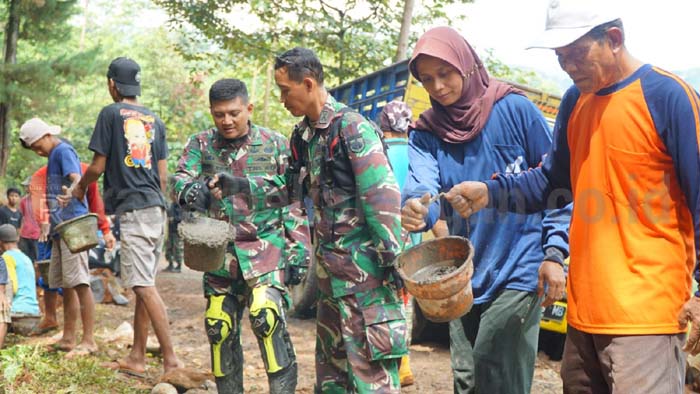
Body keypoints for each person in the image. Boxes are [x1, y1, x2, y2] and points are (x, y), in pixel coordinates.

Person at [447, 1, 700, 392]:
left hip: (647, 317)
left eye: (577, 54)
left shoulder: (668, 96)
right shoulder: (574, 101)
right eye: (560, 57)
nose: (568, 67)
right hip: (584, 317)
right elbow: (552, 183)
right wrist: (490, 192)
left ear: (613, 39)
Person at [399, 27, 570, 394]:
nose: (439, 86)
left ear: (468, 65)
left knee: (497, 369)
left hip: (521, 265)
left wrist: (555, 251)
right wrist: (417, 209)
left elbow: (558, 184)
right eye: (428, 79)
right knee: (467, 377)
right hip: (464, 270)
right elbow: (422, 186)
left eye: (445, 74)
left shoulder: (515, 109)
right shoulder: (427, 131)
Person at [275, 47, 407, 393]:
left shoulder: (352, 129)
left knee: (371, 379)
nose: (281, 99)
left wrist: (397, 261)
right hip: (331, 281)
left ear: (307, 84)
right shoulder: (305, 136)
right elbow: (292, 195)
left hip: (366, 282)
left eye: (285, 90)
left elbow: (382, 199)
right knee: (333, 378)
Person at [173, 78, 310, 393]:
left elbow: (294, 198)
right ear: (211, 112)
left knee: (267, 317)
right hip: (220, 257)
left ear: (248, 108)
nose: (227, 121)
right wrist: (191, 191)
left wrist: (298, 250)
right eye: (219, 114)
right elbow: (179, 179)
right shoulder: (201, 145)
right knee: (218, 327)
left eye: (234, 113)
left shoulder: (274, 144)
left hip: (266, 252)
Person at [69, 57, 182, 376]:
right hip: (156, 208)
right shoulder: (155, 121)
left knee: (142, 285)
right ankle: (137, 356)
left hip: (134, 209)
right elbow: (162, 176)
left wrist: (79, 189)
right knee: (145, 282)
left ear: (112, 85)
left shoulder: (110, 113)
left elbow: (97, 166)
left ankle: (172, 361)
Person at [18, 117, 98, 359]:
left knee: (81, 283)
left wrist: (72, 192)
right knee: (67, 284)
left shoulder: (62, 151)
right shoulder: (53, 155)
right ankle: (69, 337)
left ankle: (89, 340)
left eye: (36, 146)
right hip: (60, 227)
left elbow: (76, 178)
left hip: (74, 224)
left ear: (45, 136)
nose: (37, 152)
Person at [30, 164, 115, 334]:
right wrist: (44, 224)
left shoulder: (84, 170)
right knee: (51, 276)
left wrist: (105, 229)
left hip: (76, 231)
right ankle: (53, 320)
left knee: (77, 281)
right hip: (51, 233)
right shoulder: (41, 175)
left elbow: (95, 202)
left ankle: (86, 337)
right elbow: (38, 205)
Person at [0, 225, 40, 334]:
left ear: (0, 242)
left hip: (18, 313)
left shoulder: (6, 257)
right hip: (33, 313)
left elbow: (12, 287)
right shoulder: (26, 258)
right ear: (17, 239)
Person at [18, 178, 39, 263]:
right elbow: (21, 216)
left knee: (37, 257)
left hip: (37, 233)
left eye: (28, 186)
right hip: (25, 233)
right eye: (25, 187)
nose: (26, 188)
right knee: (25, 257)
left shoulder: (40, 199)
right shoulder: (23, 201)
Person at [164, 187, 183, 273]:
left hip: (176, 231)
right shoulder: (171, 205)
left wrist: (174, 219)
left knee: (176, 249)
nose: (171, 197)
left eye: (172, 195)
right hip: (170, 231)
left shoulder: (180, 205)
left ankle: (179, 265)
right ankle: (170, 264)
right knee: (169, 248)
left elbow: (181, 218)